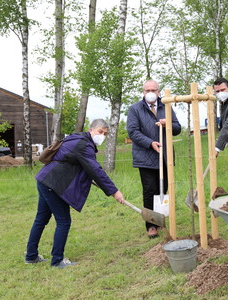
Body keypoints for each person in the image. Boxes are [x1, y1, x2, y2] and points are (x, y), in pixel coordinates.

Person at [25, 119, 125, 268]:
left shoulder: (78, 138)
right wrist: (114, 191)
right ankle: (57, 260)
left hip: (45, 179)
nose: (102, 136)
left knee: (41, 219)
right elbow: (96, 169)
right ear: (91, 130)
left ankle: (31, 256)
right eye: (100, 132)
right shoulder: (84, 144)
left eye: (105, 134)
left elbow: (82, 165)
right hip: (53, 183)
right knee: (63, 221)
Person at [127, 79, 181, 238]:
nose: (150, 93)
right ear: (143, 92)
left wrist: (168, 123)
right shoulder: (135, 109)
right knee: (149, 190)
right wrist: (150, 143)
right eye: (147, 90)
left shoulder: (167, 106)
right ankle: (151, 225)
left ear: (158, 92)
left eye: (154, 90)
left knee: (163, 189)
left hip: (165, 157)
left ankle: (159, 221)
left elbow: (177, 128)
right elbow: (133, 132)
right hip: (145, 156)